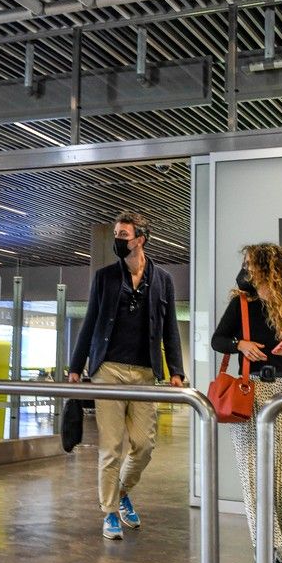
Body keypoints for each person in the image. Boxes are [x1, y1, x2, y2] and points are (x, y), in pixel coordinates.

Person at [68, 211, 185, 540]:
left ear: (140, 239)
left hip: (146, 371)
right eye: (116, 235)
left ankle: (121, 492)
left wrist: (175, 370)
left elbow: (170, 330)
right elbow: (90, 322)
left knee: (144, 445)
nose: (118, 241)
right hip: (109, 370)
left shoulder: (162, 280)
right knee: (111, 446)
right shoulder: (105, 277)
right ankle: (109, 512)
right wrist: (76, 367)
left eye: (123, 235)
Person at [211, 243, 282, 563]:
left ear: (269, 268)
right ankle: (265, 551)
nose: (245, 269)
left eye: (250, 263)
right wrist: (240, 345)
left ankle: (276, 545)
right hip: (251, 392)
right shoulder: (242, 302)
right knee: (256, 479)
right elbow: (218, 339)